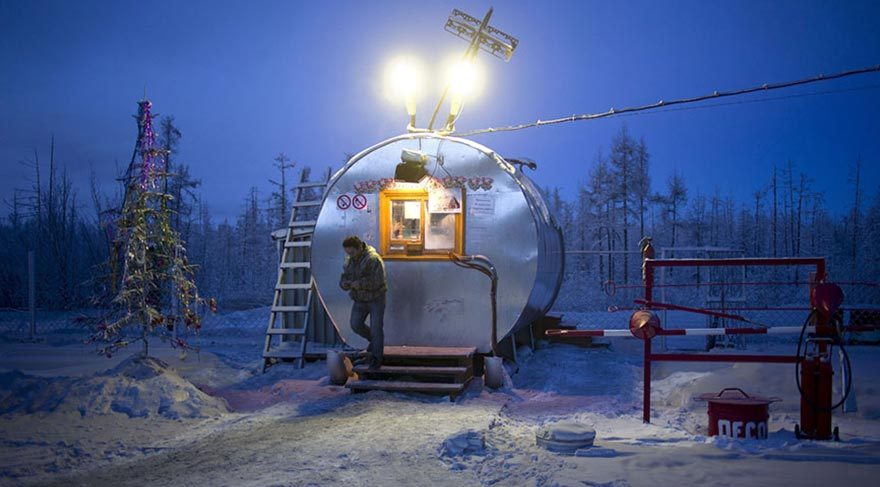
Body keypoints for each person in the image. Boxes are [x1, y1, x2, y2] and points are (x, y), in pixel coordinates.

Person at [339, 235, 387, 369]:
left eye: (352, 252)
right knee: (355, 325)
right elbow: (344, 276)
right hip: (360, 299)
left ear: (360, 248)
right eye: (348, 253)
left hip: (376, 299)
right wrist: (344, 284)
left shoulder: (373, 259)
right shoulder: (349, 260)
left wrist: (359, 284)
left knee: (376, 329)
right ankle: (374, 343)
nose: (350, 255)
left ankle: (376, 360)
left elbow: (378, 281)